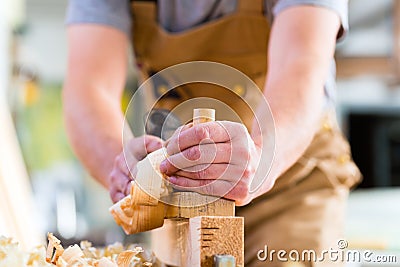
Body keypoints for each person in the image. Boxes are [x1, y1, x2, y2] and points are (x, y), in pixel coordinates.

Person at [64, 0, 361, 266]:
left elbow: (301, 65)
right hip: (180, 196)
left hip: (292, 184)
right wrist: (125, 168)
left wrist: (260, 156)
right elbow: (89, 89)